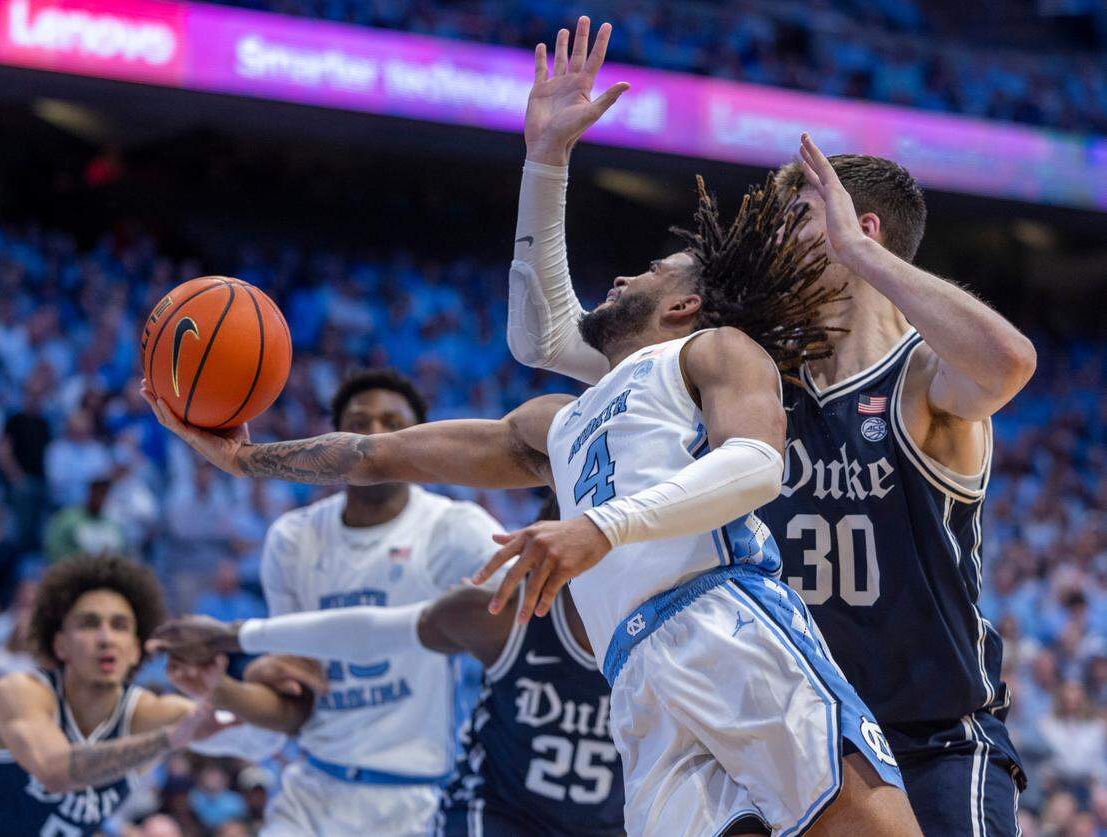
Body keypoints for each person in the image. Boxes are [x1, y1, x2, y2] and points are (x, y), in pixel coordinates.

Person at [141, 19, 919, 836]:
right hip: (638, 679)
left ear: (685, 305)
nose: (624, 273)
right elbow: (381, 450)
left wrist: (597, 527)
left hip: (725, 623)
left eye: (650, 271)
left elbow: (756, 465)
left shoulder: (714, 352)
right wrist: (246, 459)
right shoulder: (560, 423)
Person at [502, 20, 1038, 837]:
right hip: (796, 727)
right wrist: (546, 160)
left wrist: (866, 262)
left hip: (931, 738)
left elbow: (1008, 363)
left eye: (797, 217)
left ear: (862, 228)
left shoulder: (922, 378)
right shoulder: (735, 368)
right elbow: (545, 339)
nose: (770, 240)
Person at [155, 369, 508, 836]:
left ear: (420, 440)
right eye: (358, 424)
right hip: (313, 792)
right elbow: (294, 704)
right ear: (333, 441)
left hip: (415, 800)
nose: (375, 437)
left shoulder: (454, 529)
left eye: (392, 424)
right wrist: (215, 687)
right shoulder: (293, 538)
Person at [150, 496, 624, 837]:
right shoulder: (492, 616)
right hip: (492, 814)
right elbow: (368, 630)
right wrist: (236, 637)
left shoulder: (664, 632)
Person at [0, 555, 230, 836]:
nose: (106, 638)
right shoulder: (19, 693)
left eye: (120, 626)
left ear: (135, 649)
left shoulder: (148, 714)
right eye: (89, 624)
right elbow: (55, 771)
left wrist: (220, 687)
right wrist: (167, 739)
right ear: (59, 644)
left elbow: (249, 732)